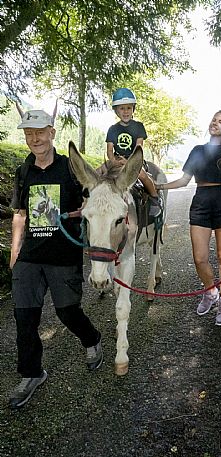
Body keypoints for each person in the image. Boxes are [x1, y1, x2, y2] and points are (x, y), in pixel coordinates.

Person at [9, 104, 102, 409]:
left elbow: (93, 202)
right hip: (30, 257)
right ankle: (31, 374)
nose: (35, 138)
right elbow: (20, 215)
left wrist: (83, 212)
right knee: (25, 318)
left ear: (52, 133)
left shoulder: (70, 169)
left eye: (40, 132)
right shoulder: (24, 172)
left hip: (63, 254)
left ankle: (91, 340)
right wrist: (14, 252)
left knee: (68, 313)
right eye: (29, 133)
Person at [156, 110, 221, 325]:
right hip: (201, 204)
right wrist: (158, 186)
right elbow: (183, 180)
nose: (215, 122)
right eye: (213, 119)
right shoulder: (197, 150)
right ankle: (210, 290)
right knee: (200, 258)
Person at [106, 87, 161, 217]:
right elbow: (109, 150)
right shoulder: (112, 129)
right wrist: (113, 161)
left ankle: (154, 199)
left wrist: (129, 162)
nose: (125, 111)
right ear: (116, 111)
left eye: (128, 108)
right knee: (97, 174)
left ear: (133, 109)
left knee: (143, 176)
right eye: (122, 108)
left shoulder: (138, 127)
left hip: (134, 160)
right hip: (117, 160)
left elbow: (139, 149)